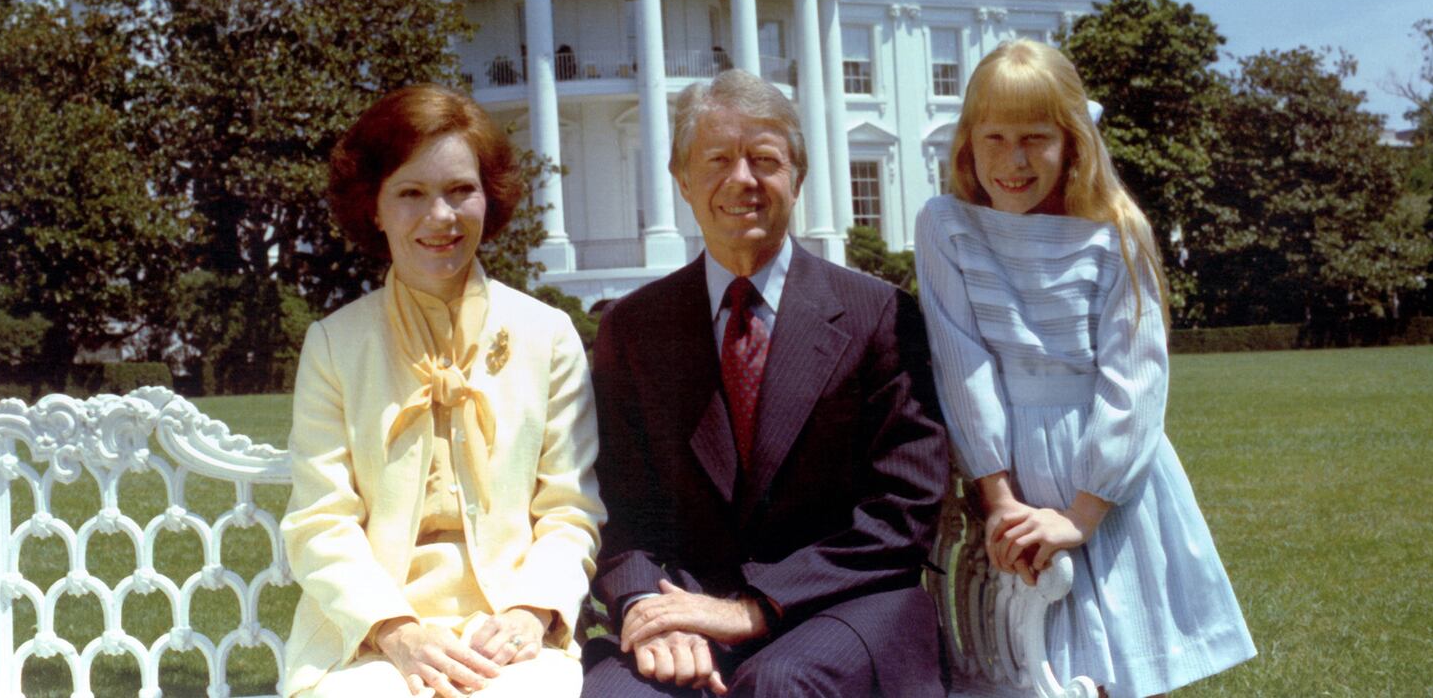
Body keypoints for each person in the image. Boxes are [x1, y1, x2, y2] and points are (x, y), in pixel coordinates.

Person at [583, 70, 950, 697]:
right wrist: (649, 606)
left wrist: (754, 609)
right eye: (718, 160)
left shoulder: (881, 315)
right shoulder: (632, 327)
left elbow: (904, 510)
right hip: (686, 609)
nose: (742, 179)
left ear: (797, 177)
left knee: (779, 684)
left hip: (848, 603)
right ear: (682, 180)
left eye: (765, 160)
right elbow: (616, 508)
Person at [913, 40, 1255, 698]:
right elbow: (962, 365)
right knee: (1029, 668)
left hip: (1108, 482)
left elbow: (1134, 381)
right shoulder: (945, 226)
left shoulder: (1115, 231)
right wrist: (1001, 503)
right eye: (995, 137)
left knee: (1112, 670)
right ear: (968, 142)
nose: (1012, 161)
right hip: (1007, 477)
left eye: (1035, 139)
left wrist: (1081, 516)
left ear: (1072, 141)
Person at [280, 84, 605, 698]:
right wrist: (396, 630)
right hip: (369, 637)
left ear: (490, 197)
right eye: (411, 193)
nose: (441, 217)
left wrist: (531, 613)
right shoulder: (335, 344)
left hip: (509, 632)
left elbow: (570, 510)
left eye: (461, 190)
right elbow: (320, 520)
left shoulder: (548, 336)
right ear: (373, 207)